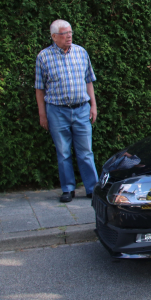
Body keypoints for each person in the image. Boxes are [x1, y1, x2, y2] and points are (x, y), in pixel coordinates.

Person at [35, 19, 99, 203]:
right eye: (64, 33)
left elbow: (89, 81)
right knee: (63, 152)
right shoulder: (43, 57)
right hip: (57, 111)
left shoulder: (81, 52)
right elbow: (40, 89)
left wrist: (93, 105)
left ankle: (91, 188)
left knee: (86, 151)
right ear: (54, 37)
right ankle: (68, 189)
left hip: (81, 109)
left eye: (70, 32)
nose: (69, 36)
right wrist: (42, 114)